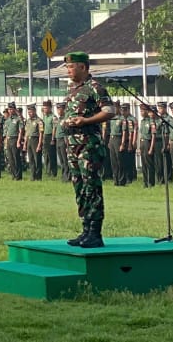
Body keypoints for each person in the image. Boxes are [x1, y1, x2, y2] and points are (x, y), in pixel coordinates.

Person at [62, 52, 114, 248]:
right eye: (67, 67)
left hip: (88, 145)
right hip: (72, 145)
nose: (68, 71)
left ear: (83, 67)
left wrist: (86, 121)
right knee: (79, 186)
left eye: (71, 67)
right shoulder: (74, 90)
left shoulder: (95, 88)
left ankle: (95, 232)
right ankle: (85, 229)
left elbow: (109, 111)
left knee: (91, 186)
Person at [3, 103, 24, 181]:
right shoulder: (8, 120)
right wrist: (5, 141)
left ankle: (18, 176)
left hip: (15, 139)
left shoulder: (18, 119)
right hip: (9, 140)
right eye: (9, 109)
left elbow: (20, 131)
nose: (10, 111)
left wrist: (18, 141)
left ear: (14, 109)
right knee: (10, 159)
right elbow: (6, 131)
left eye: (11, 109)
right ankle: (14, 174)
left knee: (16, 158)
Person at [26, 102, 45, 181]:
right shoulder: (28, 121)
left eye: (30, 112)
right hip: (29, 140)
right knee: (31, 159)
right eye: (28, 112)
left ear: (34, 111)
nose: (29, 113)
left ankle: (38, 177)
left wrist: (39, 145)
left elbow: (41, 134)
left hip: (36, 140)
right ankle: (32, 176)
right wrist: (25, 144)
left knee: (37, 159)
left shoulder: (39, 121)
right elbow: (27, 132)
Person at [41, 100, 59, 178]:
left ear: (50, 108)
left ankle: (53, 172)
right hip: (45, 136)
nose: (44, 109)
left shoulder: (53, 117)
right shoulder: (44, 116)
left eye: (46, 108)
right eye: (44, 108)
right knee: (46, 155)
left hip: (51, 136)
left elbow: (54, 128)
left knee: (52, 155)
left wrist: (52, 139)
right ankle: (47, 171)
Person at [55, 102, 70, 184]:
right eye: (57, 109)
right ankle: (63, 175)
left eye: (60, 109)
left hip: (63, 140)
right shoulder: (59, 119)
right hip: (58, 139)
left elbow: (66, 131)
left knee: (65, 159)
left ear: (63, 109)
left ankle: (67, 176)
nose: (58, 111)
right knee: (61, 160)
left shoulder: (65, 119)